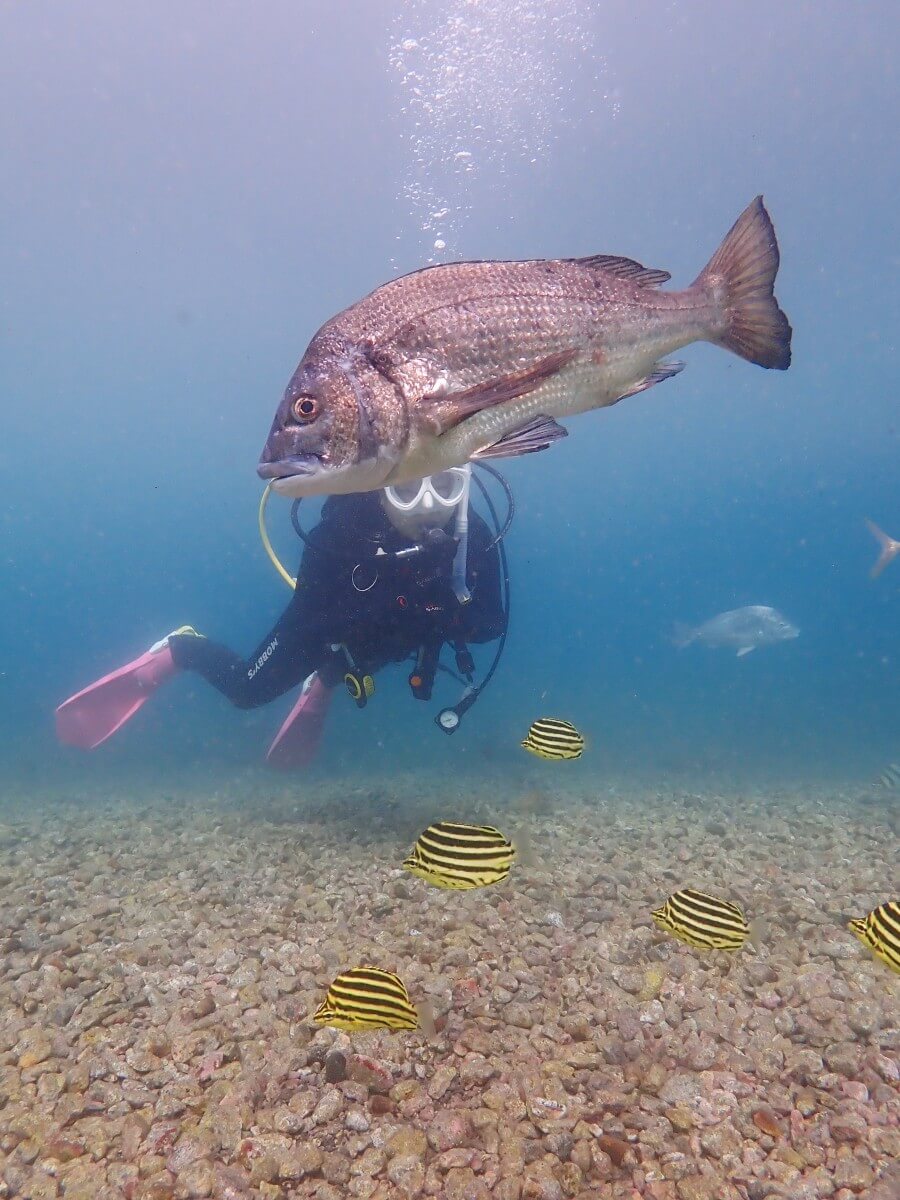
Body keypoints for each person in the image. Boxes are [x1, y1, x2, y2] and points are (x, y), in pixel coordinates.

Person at [55, 466, 508, 767]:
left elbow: (491, 625)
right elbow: (310, 617)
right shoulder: (343, 530)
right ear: (379, 491)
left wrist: (428, 610)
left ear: (464, 485)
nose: (429, 506)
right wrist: (391, 612)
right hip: (331, 626)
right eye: (406, 490)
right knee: (246, 692)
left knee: (369, 651)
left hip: (393, 639)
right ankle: (182, 649)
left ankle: (328, 676)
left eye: (445, 486)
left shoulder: (472, 535)